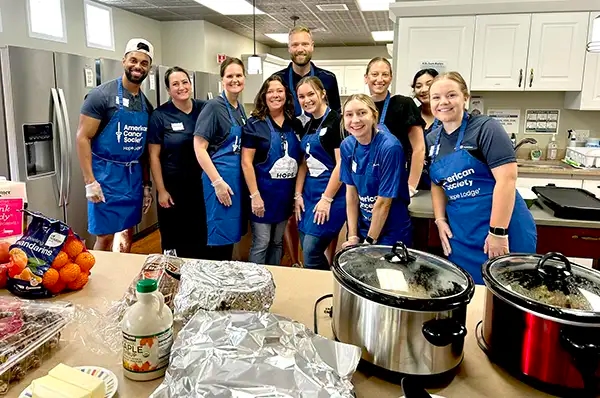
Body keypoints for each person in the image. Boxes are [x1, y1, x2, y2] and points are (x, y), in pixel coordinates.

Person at [426, 72, 536, 284]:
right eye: (436, 97)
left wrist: (498, 232)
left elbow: (507, 180)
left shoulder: (486, 128)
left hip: (502, 226)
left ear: (465, 97)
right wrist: (439, 219)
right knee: (471, 297)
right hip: (463, 232)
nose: (443, 102)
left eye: (451, 95)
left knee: (507, 292)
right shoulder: (431, 139)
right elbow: (437, 183)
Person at [76, 38, 155, 252]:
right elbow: (83, 137)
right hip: (106, 177)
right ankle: (100, 280)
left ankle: (121, 279)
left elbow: (145, 152)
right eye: (133, 60)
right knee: (105, 236)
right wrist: (90, 181)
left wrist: (147, 186)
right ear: (124, 61)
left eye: (144, 63)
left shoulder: (146, 105)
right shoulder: (101, 96)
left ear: (149, 68)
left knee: (127, 233)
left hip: (132, 178)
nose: (138, 66)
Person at [275, 25, 342, 266]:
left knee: (316, 241)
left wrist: (326, 198)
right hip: (296, 152)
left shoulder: (328, 80)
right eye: (295, 44)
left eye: (305, 44)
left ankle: (326, 266)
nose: (300, 48)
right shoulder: (279, 79)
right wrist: (297, 193)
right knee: (297, 222)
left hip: (325, 159)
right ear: (289, 48)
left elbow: (335, 125)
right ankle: (297, 264)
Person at [148, 66, 207, 258]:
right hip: (173, 188)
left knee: (200, 235)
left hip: (201, 185)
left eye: (184, 82)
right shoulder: (160, 116)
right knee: (174, 238)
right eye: (175, 84)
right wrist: (161, 191)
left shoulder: (204, 109)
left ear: (190, 84)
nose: (181, 87)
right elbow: (154, 156)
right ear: (168, 90)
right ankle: (173, 279)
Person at [241, 75, 301, 265]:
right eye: (270, 91)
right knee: (262, 241)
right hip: (262, 194)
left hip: (284, 196)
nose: (275, 95)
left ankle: (275, 278)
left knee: (277, 242)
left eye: (280, 91)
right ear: (264, 96)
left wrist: (296, 195)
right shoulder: (255, 125)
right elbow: (246, 162)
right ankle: (254, 285)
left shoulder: (295, 124)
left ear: (286, 95)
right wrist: (254, 196)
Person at [194, 57, 247, 261]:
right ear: (222, 79)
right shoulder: (213, 107)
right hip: (219, 179)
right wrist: (217, 182)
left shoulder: (239, 108)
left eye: (239, 75)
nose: (235, 80)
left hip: (234, 181)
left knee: (231, 234)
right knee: (219, 236)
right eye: (230, 76)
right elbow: (199, 147)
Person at [340, 94, 412, 247]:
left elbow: (384, 202)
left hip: (392, 229)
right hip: (364, 225)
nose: (355, 120)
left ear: (374, 116)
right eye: (349, 115)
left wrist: (370, 242)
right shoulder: (346, 146)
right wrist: (352, 235)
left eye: (362, 113)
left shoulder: (390, 148)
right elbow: (351, 195)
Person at [294, 76, 346, 270]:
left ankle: (328, 289)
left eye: (310, 94)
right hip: (308, 196)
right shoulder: (308, 125)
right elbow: (304, 164)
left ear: (322, 93)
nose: (306, 100)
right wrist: (297, 195)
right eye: (301, 96)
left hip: (332, 196)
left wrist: (327, 199)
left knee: (311, 251)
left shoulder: (337, 122)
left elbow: (341, 165)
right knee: (306, 247)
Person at [365, 58, 425, 196]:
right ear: (366, 78)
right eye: (375, 74)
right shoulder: (361, 108)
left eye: (385, 74)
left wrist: (410, 186)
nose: (380, 79)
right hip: (368, 181)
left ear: (391, 78)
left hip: (397, 181)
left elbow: (419, 148)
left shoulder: (404, 104)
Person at [412, 68, 440, 190]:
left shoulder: (448, 117)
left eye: (429, 84)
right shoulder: (410, 117)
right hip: (415, 184)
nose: (423, 90)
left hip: (442, 184)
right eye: (418, 86)